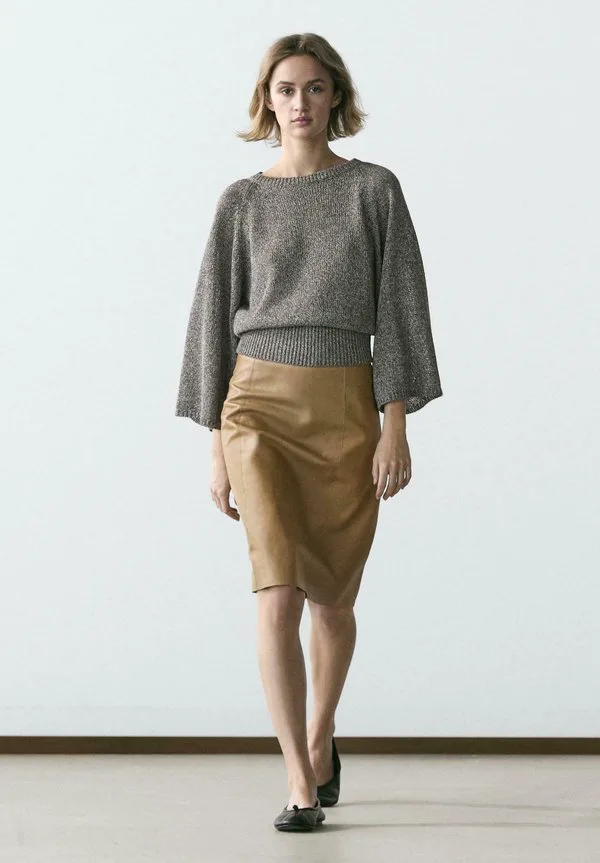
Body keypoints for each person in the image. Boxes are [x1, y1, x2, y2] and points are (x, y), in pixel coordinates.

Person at [175, 32, 443, 831]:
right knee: (277, 591)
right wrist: (216, 444)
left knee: (331, 599)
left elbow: (399, 308)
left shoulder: (373, 191)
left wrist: (394, 424)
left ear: (336, 98)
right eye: (286, 89)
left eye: (315, 88)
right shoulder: (241, 201)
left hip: (346, 410)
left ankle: (321, 737)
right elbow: (211, 319)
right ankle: (298, 778)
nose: (300, 102)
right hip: (256, 406)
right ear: (267, 100)